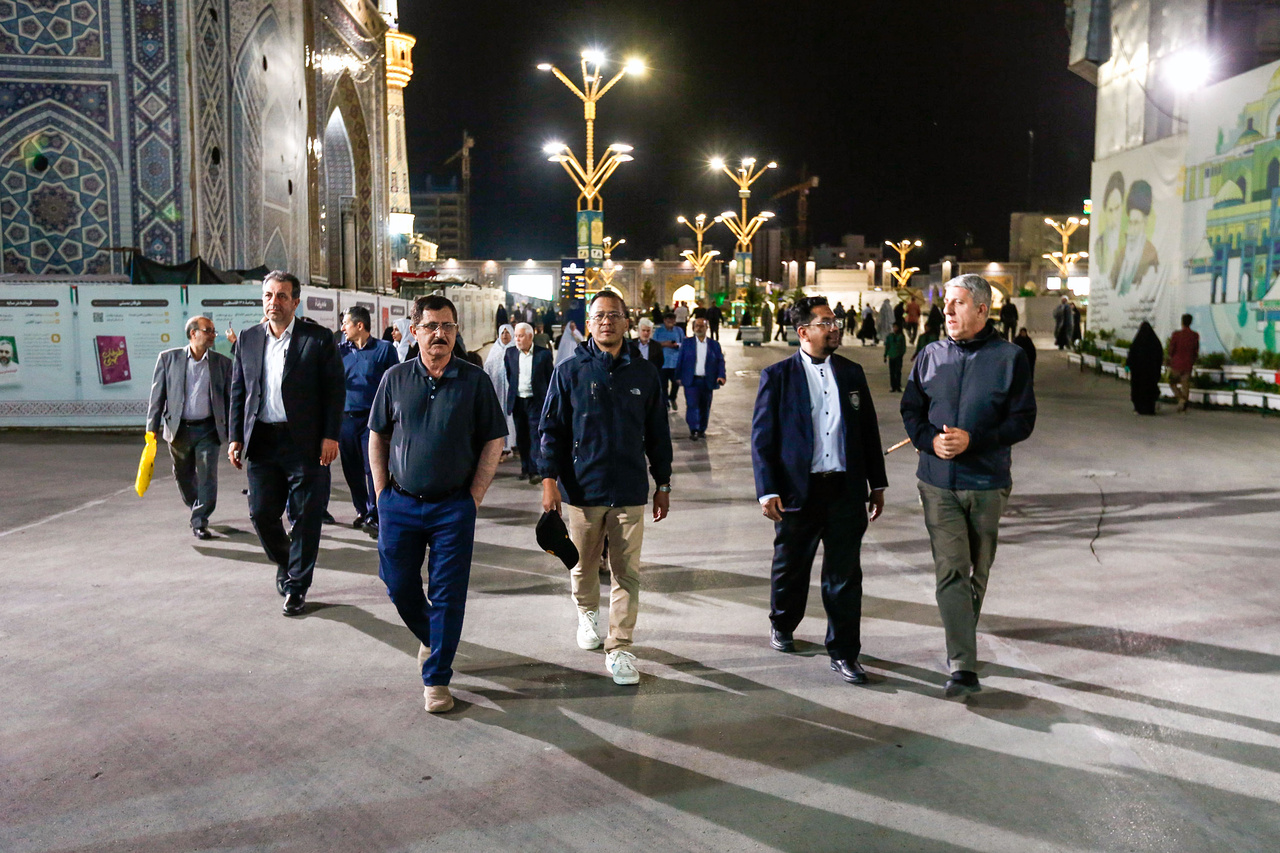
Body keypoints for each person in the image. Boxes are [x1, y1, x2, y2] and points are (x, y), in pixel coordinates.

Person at [369, 294, 507, 713]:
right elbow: (377, 435)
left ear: (456, 331)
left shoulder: (474, 380)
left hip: (452, 508)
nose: (439, 334)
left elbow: (494, 439)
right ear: (415, 332)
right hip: (401, 504)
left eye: (447, 326)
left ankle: (437, 679)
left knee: (448, 594)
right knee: (397, 582)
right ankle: (434, 638)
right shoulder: (395, 378)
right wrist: (381, 495)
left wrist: (475, 496)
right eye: (430, 326)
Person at [900, 274, 1036, 698]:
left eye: (958, 304)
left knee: (979, 570)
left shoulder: (1010, 358)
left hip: (987, 482)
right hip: (937, 483)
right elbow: (911, 410)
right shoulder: (928, 355)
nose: (948, 311)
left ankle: (961, 638)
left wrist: (976, 441)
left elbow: (1022, 420)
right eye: (946, 304)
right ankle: (962, 664)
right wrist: (930, 441)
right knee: (952, 570)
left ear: (982, 309)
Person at [751, 296, 887, 685]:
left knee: (845, 575)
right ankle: (782, 623)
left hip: (845, 490)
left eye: (835, 321)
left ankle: (845, 652)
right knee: (791, 568)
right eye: (826, 322)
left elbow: (867, 432)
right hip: (798, 492)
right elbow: (762, 440)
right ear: (803, 331)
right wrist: (767, 490)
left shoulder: (852, 372)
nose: (835, 327)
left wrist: (875, 484)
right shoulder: (777, 377)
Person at [539, 290, 673, 686]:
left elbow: (658, 435)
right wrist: (550, 482)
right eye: (599, 316)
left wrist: (662, 482)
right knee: (581, 565)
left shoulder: (645, 374)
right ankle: (587, 613)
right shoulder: (569, 371)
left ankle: (620, 648)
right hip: (583, 490)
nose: (606, 322)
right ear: (589, 322)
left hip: (630, 490)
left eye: (614, 315)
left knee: (627, 572)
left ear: (627, 321)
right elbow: (551, 431)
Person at [228, 271, 345, 616]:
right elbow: (239, 391)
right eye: (268, 295)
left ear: (296, 302)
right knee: (261, 513)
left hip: (305, 444)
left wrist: (331, 435)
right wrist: (236, 436)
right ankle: (287, 559)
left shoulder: (318, 339)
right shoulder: (248, 339)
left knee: (308, 517)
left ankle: (297, 586)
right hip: (262, 440)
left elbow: (334, 391)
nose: (273, 302)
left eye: (281, 296)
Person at [146, 315, 232, 540]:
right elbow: (157, 397)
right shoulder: (168, 359)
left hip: (209, 430)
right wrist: (151, 430)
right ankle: (197, 505)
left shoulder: (222, 363)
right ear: (193, 333)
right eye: (209, 330)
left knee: (207, 476)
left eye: (214, 331)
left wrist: (234, 435)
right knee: (183, 475)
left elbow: (230, 400)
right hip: (179, 430)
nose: (214, 334)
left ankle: (200, 520)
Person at [338, 306, 399, 533]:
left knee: (373, 468)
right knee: (351, 469)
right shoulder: (339, 352)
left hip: (372, 422)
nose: (342, 328)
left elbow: (394, 386)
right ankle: (362, 510)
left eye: (346, 323)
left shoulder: (384, 350)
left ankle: (375, 513)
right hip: (345, 420)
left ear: (360, 325)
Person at [505, 322, 554, 484]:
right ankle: (525, 468)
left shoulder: (543, 355)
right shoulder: (510, 353)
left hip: (535, 401)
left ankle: (535, 470)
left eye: (520, 336)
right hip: (518, 401)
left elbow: (549, 378)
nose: (517, 340)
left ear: (530, 336)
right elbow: (510, 375)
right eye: (516, 336)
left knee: (535, 436)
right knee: (522, 438)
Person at [675, 316, 726, 440]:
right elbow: (680, 360)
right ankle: (694, 429)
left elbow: (720, 361)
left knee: (705, 406)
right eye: (697, 326)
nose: (699, 328)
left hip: (707, 381)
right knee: (692, 405)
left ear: (707, 328)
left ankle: (702, 429)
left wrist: (721, 376)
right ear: (693, 328)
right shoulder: (687, 343)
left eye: (702, 326)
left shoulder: (714, 345)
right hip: (691, 380)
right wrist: (677, 376)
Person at [484, 323, 517, 459]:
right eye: (502, 333)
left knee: (513, 419)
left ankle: (514, 445)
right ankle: (502, 448)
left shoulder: (516, 350)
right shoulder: (495, 351)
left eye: (508, 332)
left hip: (512, 393)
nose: (505, 335)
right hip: (497, 392)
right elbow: (488, 370)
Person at [1126, 321, 1163, 415]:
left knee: (1138, 389)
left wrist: (1128, 366)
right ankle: (1150, 409)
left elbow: (1131, 356)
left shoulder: (1137, 342)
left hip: (1138, 373)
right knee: (1150, 389)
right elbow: (1160, 356)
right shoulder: (1155, 342)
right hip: (1151, 373)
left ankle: (1138, 408)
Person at [1168, 313, 1199, 413]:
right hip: (1188, 364)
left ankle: (1181, 399)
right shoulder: (1195, 335)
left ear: (1182, 322)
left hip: (1176, 364)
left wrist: (1170, 359)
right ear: (1191, 322)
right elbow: (1195, 350)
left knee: (1172, 383)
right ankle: (1183, 405)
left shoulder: (1176, 335)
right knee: (1185, 385)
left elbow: (1171, 350)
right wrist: (1192, 360)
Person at [653, 312, 683, 411]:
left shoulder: (679, 330)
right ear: (664, 320)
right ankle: (665, 402)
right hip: (663, 362)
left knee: (676, 383)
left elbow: (684, 343)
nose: (670, 322)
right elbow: (653, 344)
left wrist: (676, 345)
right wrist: (664, 344)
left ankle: (673, 397)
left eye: (672, 320)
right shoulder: (658, 331)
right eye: (668, 320)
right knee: (663, 385)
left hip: (675, 362)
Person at [883, 320, 907, 393]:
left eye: (896, 327)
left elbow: (903, 346)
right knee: (892, 372)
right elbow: (887, 346)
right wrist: (885, 355)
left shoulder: (901, 336)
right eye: (894, 327)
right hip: (891, 356)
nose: (895, 329)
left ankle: (898, 386)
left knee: (898, 371)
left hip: (898, 356)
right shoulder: (890, 336)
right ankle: (893, 386)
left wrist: (901, 354)